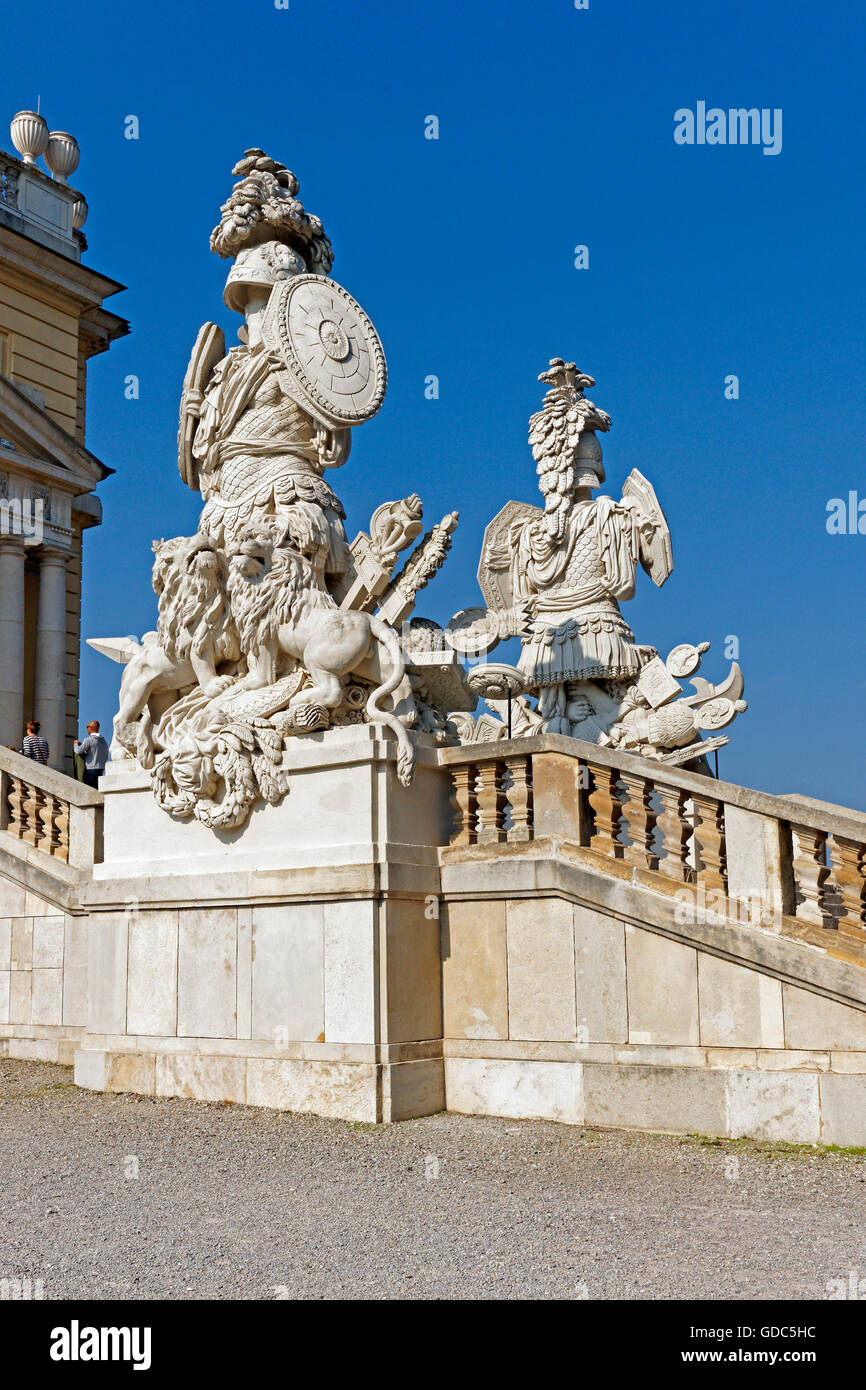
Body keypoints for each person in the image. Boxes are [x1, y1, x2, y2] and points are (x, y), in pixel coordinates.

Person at [73, 721, 110, 789]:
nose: (86, 729)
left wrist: (75, 744)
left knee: (90, 789)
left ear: (91, 728)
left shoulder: (89, 740)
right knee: (97, 788)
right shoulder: (104, 742)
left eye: (87, 727)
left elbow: (78, 751)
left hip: (91, 769)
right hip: (101, 769)